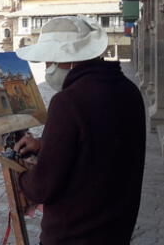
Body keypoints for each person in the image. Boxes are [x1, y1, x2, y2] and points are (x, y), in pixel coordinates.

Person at [13, 16, 146, 245]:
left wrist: (20, 177)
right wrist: (44, 145)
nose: (47, 68)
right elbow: (100, 144)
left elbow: (44, 186)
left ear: (70, 60)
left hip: (74, 233)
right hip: (117, 228)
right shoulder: (129, 90)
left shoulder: (68, 101)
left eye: (50, 60)